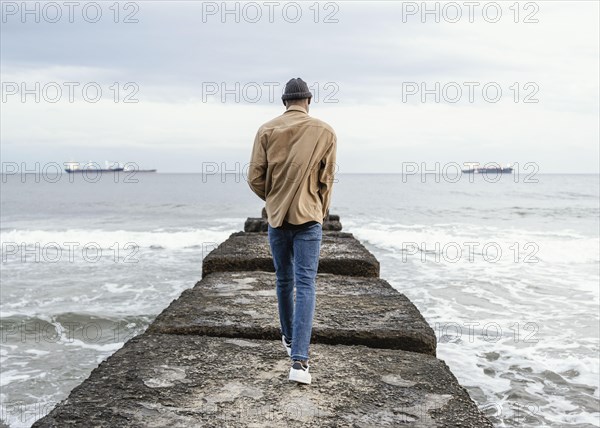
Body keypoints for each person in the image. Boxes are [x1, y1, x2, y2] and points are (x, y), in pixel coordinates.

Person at [247, 77, 337, 385]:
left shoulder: (267, 129)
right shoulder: (325, 131)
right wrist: (318, 209)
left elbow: (254, 177)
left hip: (277, 219)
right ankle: (299, 362)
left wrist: (274, 199)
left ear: (285, 102)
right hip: (308, 218)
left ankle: (288, 338)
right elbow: (327, 179)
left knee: (283, 280)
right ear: (309, 100)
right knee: (306, 285)